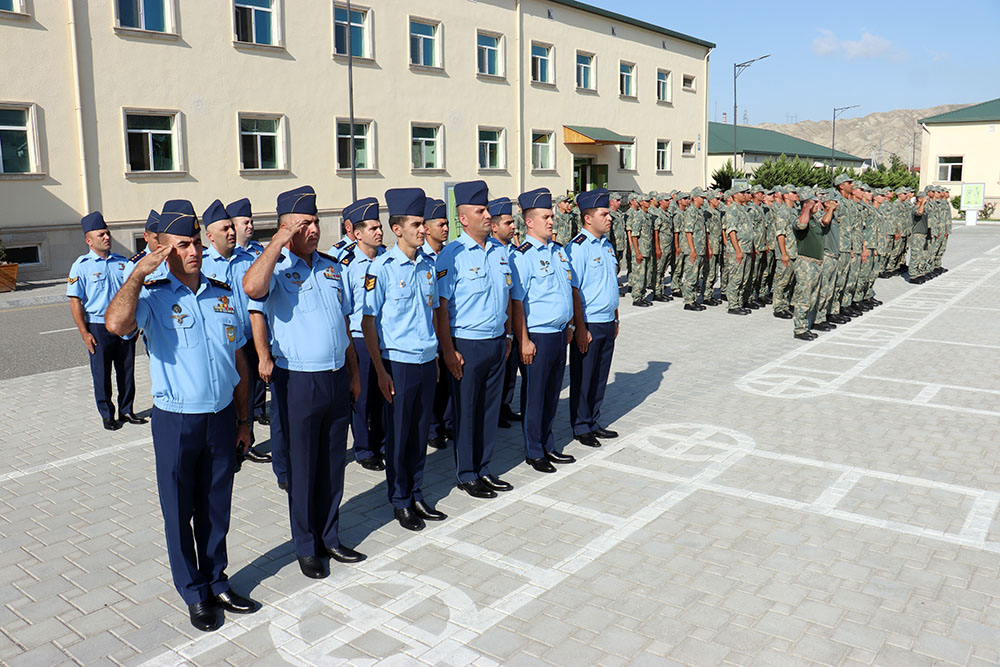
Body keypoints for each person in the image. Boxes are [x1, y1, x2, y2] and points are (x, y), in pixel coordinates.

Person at [104, 199, 258, 632]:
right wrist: (137, 274)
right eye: (182, 245)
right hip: (177, 421)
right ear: (164, 250)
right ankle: (194, 592)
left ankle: (216, 579)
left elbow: (239, 361)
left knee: (216, 506)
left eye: (195, 243)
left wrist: (245, 420)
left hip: (222, 416)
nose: (192, 251)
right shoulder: (151, 297)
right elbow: (116, 326)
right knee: (179, 510)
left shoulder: (223, 294)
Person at [242, 185, 364, 580]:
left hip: (335, 376)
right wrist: (278, 240)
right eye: (304, 223)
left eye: (315, 222)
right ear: (286, 227)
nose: (313, 229)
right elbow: (252, 291)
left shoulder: (332, 267)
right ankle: (307, 545)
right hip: (297, 379)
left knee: (332, 465)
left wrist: (355, 373)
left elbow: (343, 323)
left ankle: (330, 535)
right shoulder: (273, 269)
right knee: (303, 467)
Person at [362, 187, 448, 532]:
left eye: (422, 223)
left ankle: (416, 490)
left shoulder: (429, 265)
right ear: (397, 229)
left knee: (419, 432)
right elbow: (368, 320)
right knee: (398, 436)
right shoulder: (380, 268)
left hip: (427, 360)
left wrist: (438, 356)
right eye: (415, 224)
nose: (422, 229)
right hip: (397, 362)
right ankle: (399, 499)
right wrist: (380, 370)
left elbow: (435, 312)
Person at [434, 180, 514, 499]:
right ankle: (466, 472)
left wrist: (507, 335)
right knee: (467, 411)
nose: (487, 215)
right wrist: (448, 351)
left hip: (496, 341)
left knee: (490, 410)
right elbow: (441, 309)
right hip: (466, 344)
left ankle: (483, 467)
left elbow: (506, 296)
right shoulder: (451, 256)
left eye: (487, 209)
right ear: (463, 218)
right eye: (480, 210)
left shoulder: (499, 251)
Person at [201, 199, 272, 467]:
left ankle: (246, 441)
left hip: (249, 338)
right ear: (210, 235)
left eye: (233, 227)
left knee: (251, 391)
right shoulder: (204, 265)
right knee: (224, 396)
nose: (231, 232)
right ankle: (222, 448)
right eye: (225, 229)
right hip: (220, 345)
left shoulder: (250, 259)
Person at [511, 187, 576, 473]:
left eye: (552, 216)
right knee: (535, 396)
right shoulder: (522, 256)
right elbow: (517, 303)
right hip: (537, 336)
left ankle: (548, 444)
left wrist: (571, 324)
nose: (552, 221)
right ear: (530, 222)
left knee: (551, 395)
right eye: (546, 217)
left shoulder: (559, 252)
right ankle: (534, 450)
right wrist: (523, 339)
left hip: (560, 333)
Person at [67, 211, 143, 431]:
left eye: (107, 233)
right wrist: (84, 333)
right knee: (102, 373)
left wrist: (135, 321)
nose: (107, 237)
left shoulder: (122, 262)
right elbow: (75, 301)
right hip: (98, 326)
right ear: (89, 241)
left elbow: (134, 293)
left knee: (127, 370)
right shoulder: (81, 266)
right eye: (101, 235)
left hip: (123, 325)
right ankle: (107, 415)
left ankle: (127, 410)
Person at [567, 188, 620, 449]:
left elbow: (611, 284)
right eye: (604, 214)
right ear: (588, 218)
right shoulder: (578, 248)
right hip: (589, 322)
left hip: (608, 320)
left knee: (600, 376)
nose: (609, 218)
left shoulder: (607, 246)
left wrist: (616, 318)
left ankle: (593, 420)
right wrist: (579, 326)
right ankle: (580, 425)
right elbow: (574, 289)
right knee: (584, 377)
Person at [339, 197, 387, 471]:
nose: (379, 232)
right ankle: (364, 447)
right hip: (358, 338)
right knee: (362, 396)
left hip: (383, 336)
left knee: (383, 395)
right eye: (373, 228)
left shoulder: (386, 259)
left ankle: (381, 442)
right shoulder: (347, 264)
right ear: (357, 234)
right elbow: (344, 309)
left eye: (380, 227)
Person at [225, 198, 269, 425]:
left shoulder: (257, 254)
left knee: (255, 378)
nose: (250, 226)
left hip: (253, 330)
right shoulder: (218, 258)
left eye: (251, 221)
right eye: (245, 222)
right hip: (230, 335)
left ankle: (256, 412)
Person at [421, 197, 454, 450]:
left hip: (450, 328)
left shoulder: (451, 253)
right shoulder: (422, 257)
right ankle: (433, 428)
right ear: (427, 227)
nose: (446, 228)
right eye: (440, 224)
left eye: (447, 224)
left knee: (449, 383)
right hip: (430, 330)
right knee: (434, 383)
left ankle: (447, 423)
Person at [490, 197, 525, 429]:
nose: (514, 226)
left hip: (515, 318)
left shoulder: (516, 251)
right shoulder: (492, 252)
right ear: (494, 227)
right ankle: (495, 410)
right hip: (499, 321)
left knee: (511, 367)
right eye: (508, 223)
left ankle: (505, 406)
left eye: (513, 222)